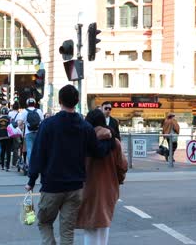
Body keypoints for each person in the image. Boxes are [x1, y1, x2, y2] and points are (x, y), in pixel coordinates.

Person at [25, 85, 112, 245]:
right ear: (77, 101)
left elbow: (38, 154)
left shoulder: (48, 124)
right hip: (75, 187)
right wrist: (110, 138)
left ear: (59, 101)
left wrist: (31, 180)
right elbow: (98, 152)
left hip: (52, 185)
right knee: (67, 230)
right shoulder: (85, 127)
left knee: (44, 222)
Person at [76, 109, 128, 245]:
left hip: (87, 188)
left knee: (89, 226)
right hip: (108, 188)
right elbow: (122, 166)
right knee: (104, 223)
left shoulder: (82, 141)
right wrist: (119, 179)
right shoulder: (114, 142)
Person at [17, 97, 44, 166]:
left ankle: (30, 165)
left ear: (27, 103)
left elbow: (20, 123)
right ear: (34, 103)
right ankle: (38, 163)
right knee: (37, 149)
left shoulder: (25, 111)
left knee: (29, 149)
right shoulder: (39, 111)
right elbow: (43, 122)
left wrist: (20, 127)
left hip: (28, 133)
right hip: (38, 132)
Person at [0, 107, 13, 171]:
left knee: (3, 150)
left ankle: (2, 166)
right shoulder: (9, 119)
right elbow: (12, 127)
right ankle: (7, 166)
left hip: (0, 137)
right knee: (8, 151)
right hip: (8, 136)